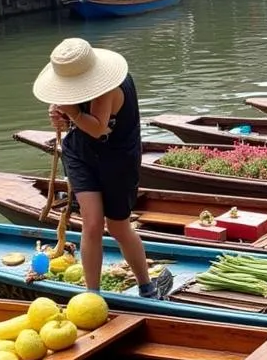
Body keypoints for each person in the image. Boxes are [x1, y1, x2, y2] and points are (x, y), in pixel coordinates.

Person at [33, 38, 172, 299]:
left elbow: (98, 128)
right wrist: (58, 112)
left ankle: (146, 286)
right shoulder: (74, 83)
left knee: (118, 227)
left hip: (118, 158)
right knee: (92, 223)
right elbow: (69, 112)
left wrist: (71, 112)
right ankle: (92, 296)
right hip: (81, 153)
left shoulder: (109, 86)